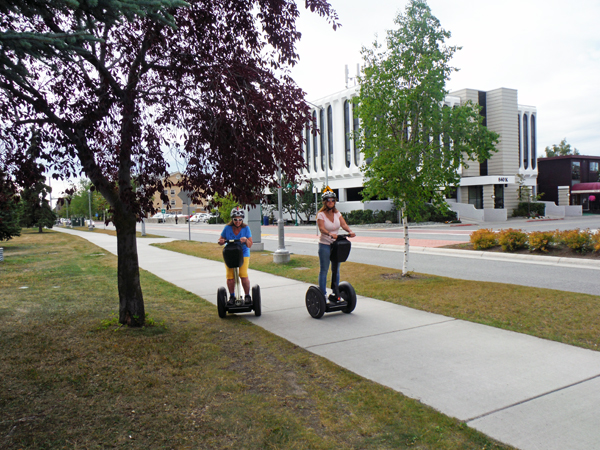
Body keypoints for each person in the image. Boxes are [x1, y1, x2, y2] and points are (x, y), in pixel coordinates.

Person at [317, 188, 355, 301]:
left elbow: (343, 224)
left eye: (333, 200)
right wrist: (329, 234)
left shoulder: (337, 213)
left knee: (336, 269)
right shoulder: (321, 215)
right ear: (324, 202)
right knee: (324, 269)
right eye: (328, 200)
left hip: (336, 245)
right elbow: (322, 229)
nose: (330, 202)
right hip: (325, 244)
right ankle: (323, 294)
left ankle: (335, 292)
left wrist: (350, 231)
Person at [218, 207, 253, 305]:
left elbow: (250, 244)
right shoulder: (227, 228)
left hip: (243, 254)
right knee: (230, 277)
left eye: (240, 219)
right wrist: (221, 241)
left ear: (242, 219)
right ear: (232, 219)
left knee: (243, 275)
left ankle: (247, 296)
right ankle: (232, 296)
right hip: (230, 253)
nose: (238, 221)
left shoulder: (246, 229)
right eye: (236, 219)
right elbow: (220, 241)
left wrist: (246, 240)